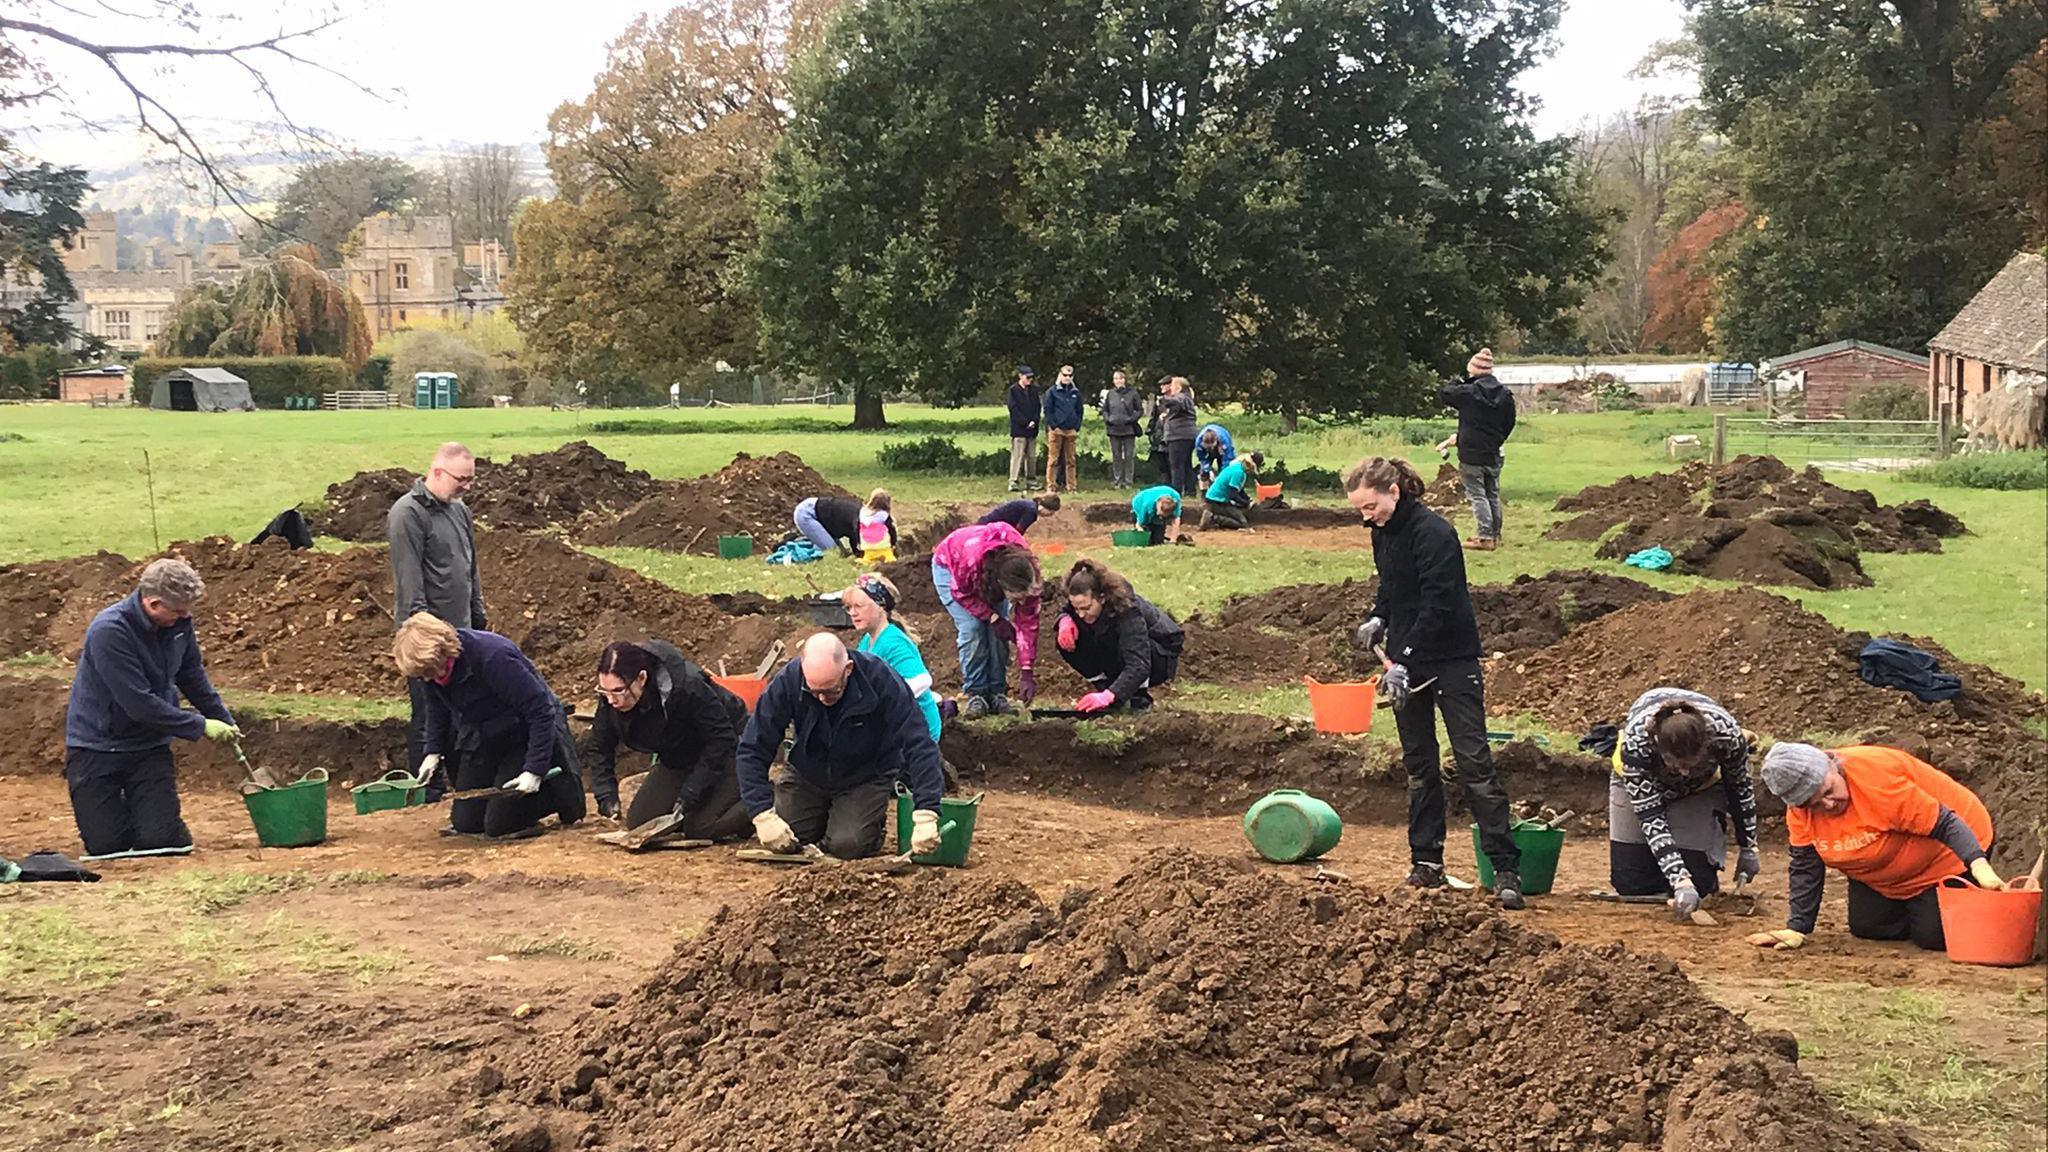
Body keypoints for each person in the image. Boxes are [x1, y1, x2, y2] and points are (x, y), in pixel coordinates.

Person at [1346, 456, 1523, 910]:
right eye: (1361, 511)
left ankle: (1505, 868)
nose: (1367, 517)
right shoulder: (1382, 533)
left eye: (1371, 507)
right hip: (1408, 659)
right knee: (1418, 763)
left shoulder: (1434, 533)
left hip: (1450, 657)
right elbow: (1393, 586)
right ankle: (1427, 862)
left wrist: (1403, 658)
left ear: (1393, 492)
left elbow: (1439, 603)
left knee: (1473, 763)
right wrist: (1379, 616)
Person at [1749, 743, 2004, 953]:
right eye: (1814, 804)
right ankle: (1918, 905)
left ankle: (1941, 904)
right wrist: (1797, 927)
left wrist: (1979, 865)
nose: (1828, 804)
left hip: (1949, 855)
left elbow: (1946, 825)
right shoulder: (1801, 813)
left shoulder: (1877, 781)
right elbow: (1806, 866)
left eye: (1829, 790)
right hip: (1882, 873)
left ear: (1833, 766)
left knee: (1933, 937)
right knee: (1868, 927)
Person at [63, 559, 238, 859]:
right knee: (108, 847)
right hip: (98, 747)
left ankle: (149, 816)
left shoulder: (179, 623)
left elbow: (192, 675)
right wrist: (200, 726)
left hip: (148, 749)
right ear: (154, 603)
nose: (186, 616)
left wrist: (223, 719)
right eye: (179, 610)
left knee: (164, 842)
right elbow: (139, 704)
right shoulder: (110, 631)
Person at [737, 634, 947, 860]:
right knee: (787, 838)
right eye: (814, 691)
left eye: (830, 690)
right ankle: (820, 820)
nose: (821, 699)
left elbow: (919, 743)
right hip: (807, 773)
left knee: (849, 845)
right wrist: (762, 814)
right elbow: (752, 748)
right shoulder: (789, 680)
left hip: (864, 776)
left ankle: (869, 827)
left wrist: (927, 813)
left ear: (848, 669)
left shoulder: (880, 679)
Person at [392, 613, 586, 840]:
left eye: (433, 670)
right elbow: (436, 710)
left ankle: (557, 793)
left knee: (500, 824)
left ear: (445, 650)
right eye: (424, 675)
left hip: (525, 733)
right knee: (466, 822)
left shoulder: (493, 657)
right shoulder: (431, 672)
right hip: (487, 736)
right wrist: (432, 752)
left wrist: (534, 769)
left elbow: (541, 711)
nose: (431, 678)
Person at [1609, 687, 1761, 919]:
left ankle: (1695, 870)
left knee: (1698, 883)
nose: (1683, 771)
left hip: (1701, 786)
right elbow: (1651, 817)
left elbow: (1739, 788)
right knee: (1632, 884)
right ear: (1658, 746)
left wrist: (1749, 846)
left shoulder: (1727, 736)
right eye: (1676, 763)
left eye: (1691, 763)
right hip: (1640, 781)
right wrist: (1680, 880)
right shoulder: (1636, 745)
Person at [388, 441, 486, 798]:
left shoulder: (460, 511)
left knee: (462, 713)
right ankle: (428, 790)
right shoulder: (408, 514)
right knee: (429, 713)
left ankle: (464, 787)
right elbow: (409, 583)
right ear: (438, 472)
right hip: (428, 642)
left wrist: (478, 619)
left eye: (471, 479)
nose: (468, 486)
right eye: (463, 479)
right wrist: (422, 637)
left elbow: (470, 569)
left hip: (461, 635)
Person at [586, 640, 750, 840]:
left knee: (698, 827)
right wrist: (606, 795)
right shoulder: (610, 699)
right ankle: (710, 802)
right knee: (640, 823)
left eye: (618, 691)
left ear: (642, 678)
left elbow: (721, 740)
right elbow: (599, 746)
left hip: (728, 750)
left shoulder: (687, 686)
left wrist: (691, 792)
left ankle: (760, 799)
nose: (611, 700)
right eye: (604, 691)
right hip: (679, 755)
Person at [931, 520, 1043, 716]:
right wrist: (992, 617)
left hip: (988, 572)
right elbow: (962, 594)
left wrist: (1027, 670)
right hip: (952, 567)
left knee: (999, 632)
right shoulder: (971, 563)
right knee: (973, 628)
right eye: (1017, 598)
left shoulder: (1028, 573)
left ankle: (997, 692)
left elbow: (1028, 623)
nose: (1023, 601)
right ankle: (976, 693)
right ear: (1002, 586)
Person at [1053, 559, 1183, 713]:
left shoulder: (1127, 610)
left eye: (1086, 608)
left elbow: (1139, 664)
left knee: (1122, 642)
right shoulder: (1079, 602)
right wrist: (1064, 620)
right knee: (1068, 640)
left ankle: (1137, 697)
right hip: (1117, 648)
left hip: (1159, 654)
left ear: (1101, 597)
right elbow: (1066, 609)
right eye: (1076, 609)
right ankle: (1105, 685)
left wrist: (1109, 696)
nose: (1080, 614)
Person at [845, 573, 944, 742]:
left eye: (859, 606)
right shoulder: (868, 639)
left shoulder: (893, 642)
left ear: (880, 606)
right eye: (849, 607)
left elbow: (921, 681)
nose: (852, 613)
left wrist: (881, 703)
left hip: (917, 732)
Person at [1436, 347, 1516, 551]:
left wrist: (1459, 381)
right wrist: (1497, 439)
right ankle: (1495, 534)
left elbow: (1445, 393)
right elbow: (1510, 422)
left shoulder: (1469, 392)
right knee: (1492, 493)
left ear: (1473, 370)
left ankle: (1484, 536)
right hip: (1494, 451)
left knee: (1477, 494)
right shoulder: (1505, 394)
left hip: (1471, 451)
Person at [794, 491, 898, 557]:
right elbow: (857, 538)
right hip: (807, 514)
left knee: (843, 552)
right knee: (834, 551)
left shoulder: (866, 515)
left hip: (820, 513)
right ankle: (803, 539)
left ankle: (814, 537)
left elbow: (854, 537)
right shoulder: (859, 519)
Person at [1042, 363, 1085, 492]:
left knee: (1071, 460)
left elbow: (1079, 411)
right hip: (1057, 429)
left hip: (1071, 429)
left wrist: (1076, 426)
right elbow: (1048, 410)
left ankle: (1071, 486)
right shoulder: (1052, 392)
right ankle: (1051, 485)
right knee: (1053, 459)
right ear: (1060, 375)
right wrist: (1053, 425)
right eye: (1065, 375)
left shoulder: (1075, 393)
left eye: (1070, 375)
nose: (1067, 377)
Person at [1101, 369, 1145, 489]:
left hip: (1129, 429)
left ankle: (1128, 481)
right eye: (1115, 379)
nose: (1118, 381)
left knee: (1129, 455)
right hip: (1113, 429)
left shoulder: (1133, 393)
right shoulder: (1110, 394)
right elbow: (1105, 409)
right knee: (1116, 455)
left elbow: (1140, 410)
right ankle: (1117, 480)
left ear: (1124, 380)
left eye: (1120, 378)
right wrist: (1108, 419)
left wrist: (1131, 419)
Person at [1201, 450, 1263, 532]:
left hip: (1216, 498)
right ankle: (1214, 519)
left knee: (1238, 516)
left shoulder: (1237, 467)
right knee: (1242, 523)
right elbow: (1233, 494)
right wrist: (1246, 503)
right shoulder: (1239, 472)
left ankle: (1216, 520)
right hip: (1217, 501)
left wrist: (1248, 499)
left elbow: (1238, 490)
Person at [1157, 376, 1198, 496]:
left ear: (1179, 387)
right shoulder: (1188, 398)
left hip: (1178, 436)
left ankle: (1176, 492)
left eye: (1173, 386)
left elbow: (1176, 401)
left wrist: (1163, 400)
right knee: (1186, 464)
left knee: (1176, 465)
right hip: (1188, 435)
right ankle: (1190, 490)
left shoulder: (1181, 397)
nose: (1171, 388)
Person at [1007, 366, 1040, 492]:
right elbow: (1013, 409)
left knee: (1031, 456)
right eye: (1027, 377)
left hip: (1032, 429)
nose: (1030, 380)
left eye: (1031, 377)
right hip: (1019, 428)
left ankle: (1031, 480)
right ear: (1020, 376)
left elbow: (1037, 407)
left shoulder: (1034, 390)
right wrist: (1025, 422)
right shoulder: (1013, 391)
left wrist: (1034, 421)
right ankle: (1013, 480)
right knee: (1018, 455)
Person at [976, 493, 1061, 534]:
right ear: (1046, 507)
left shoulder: (1030, 505)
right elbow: (1017, 532)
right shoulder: (1031, 512)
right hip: (988, 529)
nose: (1050, 515)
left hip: (986, 523)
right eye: (1051, 512)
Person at [1194, 423, 1236, 488]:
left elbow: (1228, 459)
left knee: (1225, 471)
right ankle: (1204, 492)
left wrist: (1222, 476)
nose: (1211, 449)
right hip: (1206, 452)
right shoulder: (1199, 442)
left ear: (1216, 441)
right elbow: (1202, 458)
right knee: (1204, 472)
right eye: (1208, 447)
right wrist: (1208, 469)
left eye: (1212, 446)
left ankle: (1224, 489)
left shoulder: (1224, 440)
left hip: (1222, 450)